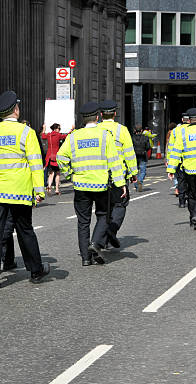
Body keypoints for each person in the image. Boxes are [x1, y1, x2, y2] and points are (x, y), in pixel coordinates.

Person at [0, 90, 50, 290]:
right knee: (25, 230)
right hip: (19, 191)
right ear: (15, 109)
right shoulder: (26, 133)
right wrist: (39, 190)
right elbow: (35, 164)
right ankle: (36, 270)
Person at [56, 101, 126, 265]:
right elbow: (114, 162)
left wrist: (70, 174)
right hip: (101, 185)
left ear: (83, 118)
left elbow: (60, 157)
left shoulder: (73, 136)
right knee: (103, 216)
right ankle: (95, 243)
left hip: (80, 185)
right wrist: (120, 183)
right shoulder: (105, 136)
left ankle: (85, 259)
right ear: (97, 117)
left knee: (83, 221)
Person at [98, 99, 138, 248]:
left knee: (103, 208)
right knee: (120, 205)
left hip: (99, 174)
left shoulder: (96, 129)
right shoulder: (122, 130)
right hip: (118, 174)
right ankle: (111, 231)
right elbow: (129, 153)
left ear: (101, 115)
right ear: (115, 113)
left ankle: (101, 239)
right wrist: (134, 172)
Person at [41, 123, 68, 195]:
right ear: (56, 129)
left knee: (51, 173)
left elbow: (43, 136)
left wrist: (44, 128)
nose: (59, 130)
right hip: (56, 157)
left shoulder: (49, 135)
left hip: (49, 157)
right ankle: (56, 189)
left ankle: (49, 186)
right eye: (59, 129)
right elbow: (66, 136)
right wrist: (72, 130)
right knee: (58, 173)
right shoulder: (58, 135)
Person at [132, 125, 152, 191]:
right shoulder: (145, 138)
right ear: (141, 130)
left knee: (135, 171)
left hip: (134, 156)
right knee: (143, 171)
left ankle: (136, 184)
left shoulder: (132, 138)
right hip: (143, 155)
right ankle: (140, 181)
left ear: (135, 130)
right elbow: (148, 147)